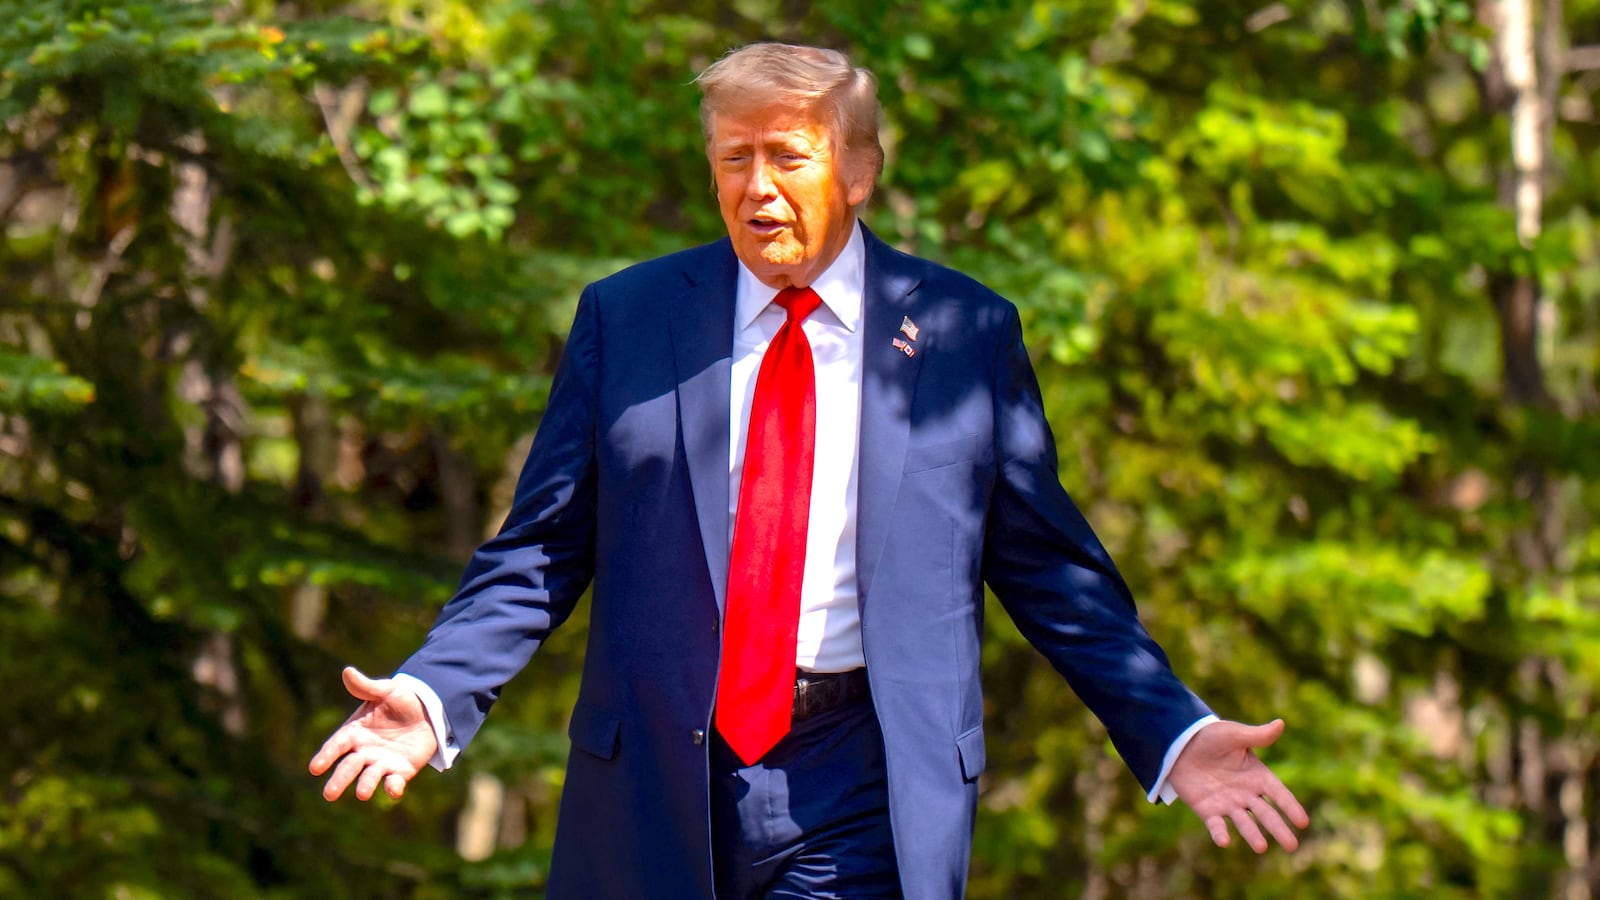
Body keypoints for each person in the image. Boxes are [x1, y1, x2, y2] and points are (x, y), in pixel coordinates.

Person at [310, 41, 1309, 899]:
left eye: (787, 156)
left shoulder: (964, 332)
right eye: (732, 158)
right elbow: (539, 547)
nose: (756, 188)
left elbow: (1049, 568)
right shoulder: (631, 319)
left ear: (859, 168)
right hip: (659, 769)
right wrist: (435, 693)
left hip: (859, 772)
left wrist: (1172, 728)